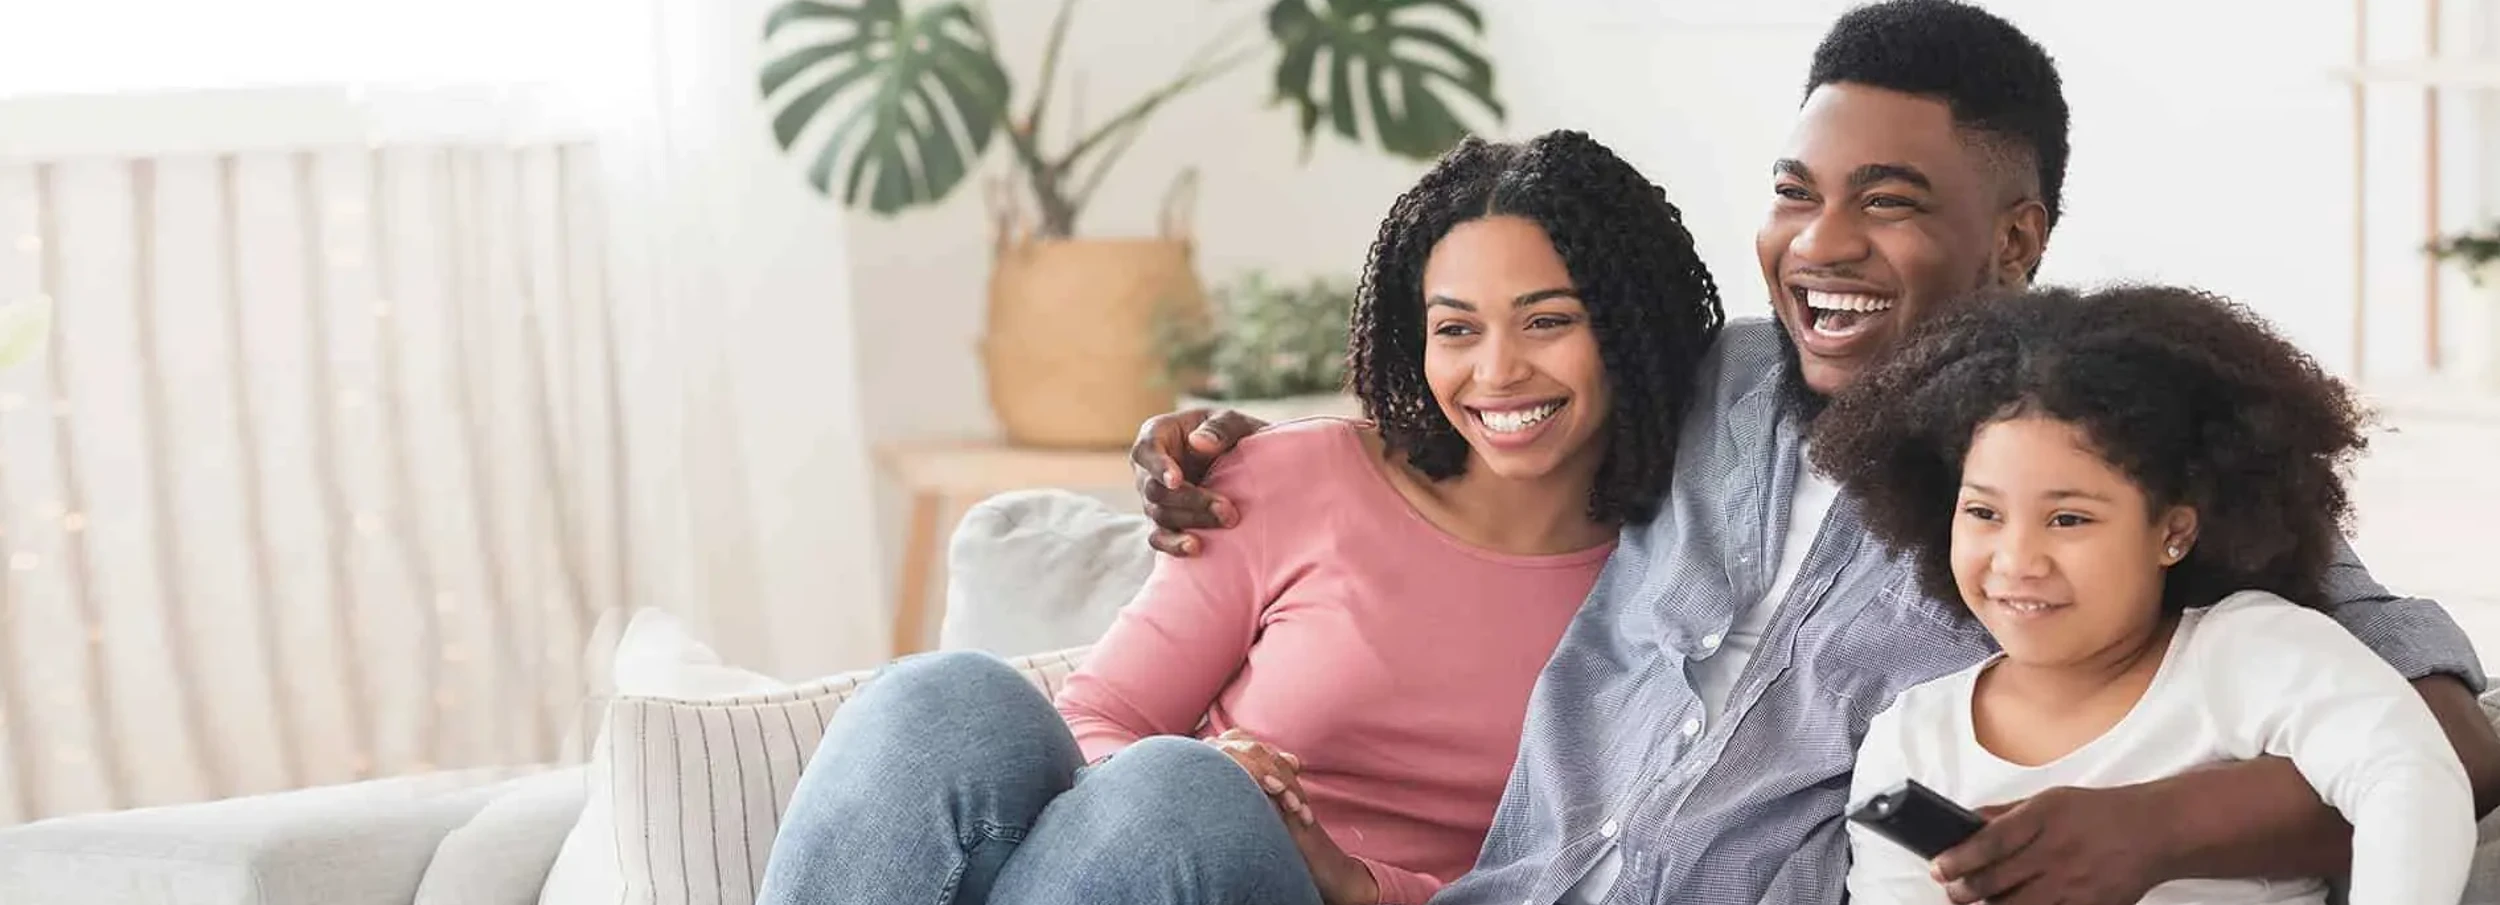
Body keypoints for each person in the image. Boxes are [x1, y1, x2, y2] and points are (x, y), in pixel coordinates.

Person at [1126, 2, 2500, 904]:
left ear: (2014, 242)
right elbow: (1485, 401)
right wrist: (1232, 447)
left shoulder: (2092, 461)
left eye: (1887, 204)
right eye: (1796, 194)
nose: (1821, 245)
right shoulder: (1700, 376)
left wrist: (2157, 826)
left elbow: (2451, 732)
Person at [752, 129, 1726, 905]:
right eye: (1456, 328)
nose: (1497, 368)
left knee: (1185, 800)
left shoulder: (1680, 577)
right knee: (948, 697)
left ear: (1630, 328)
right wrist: (1226, 774)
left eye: (1547, 319)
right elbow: (1100, 717)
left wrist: (1347, 875)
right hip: (1142, 867)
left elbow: (1604, 872)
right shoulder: (1293, 481)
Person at [1816, 284, 2476, 905]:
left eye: (2069, 518)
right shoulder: (1912, 739)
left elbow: (2411, 776)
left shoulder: (2248, 654)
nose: (2016, 559)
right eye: (1984, 513)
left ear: (2173, 530)